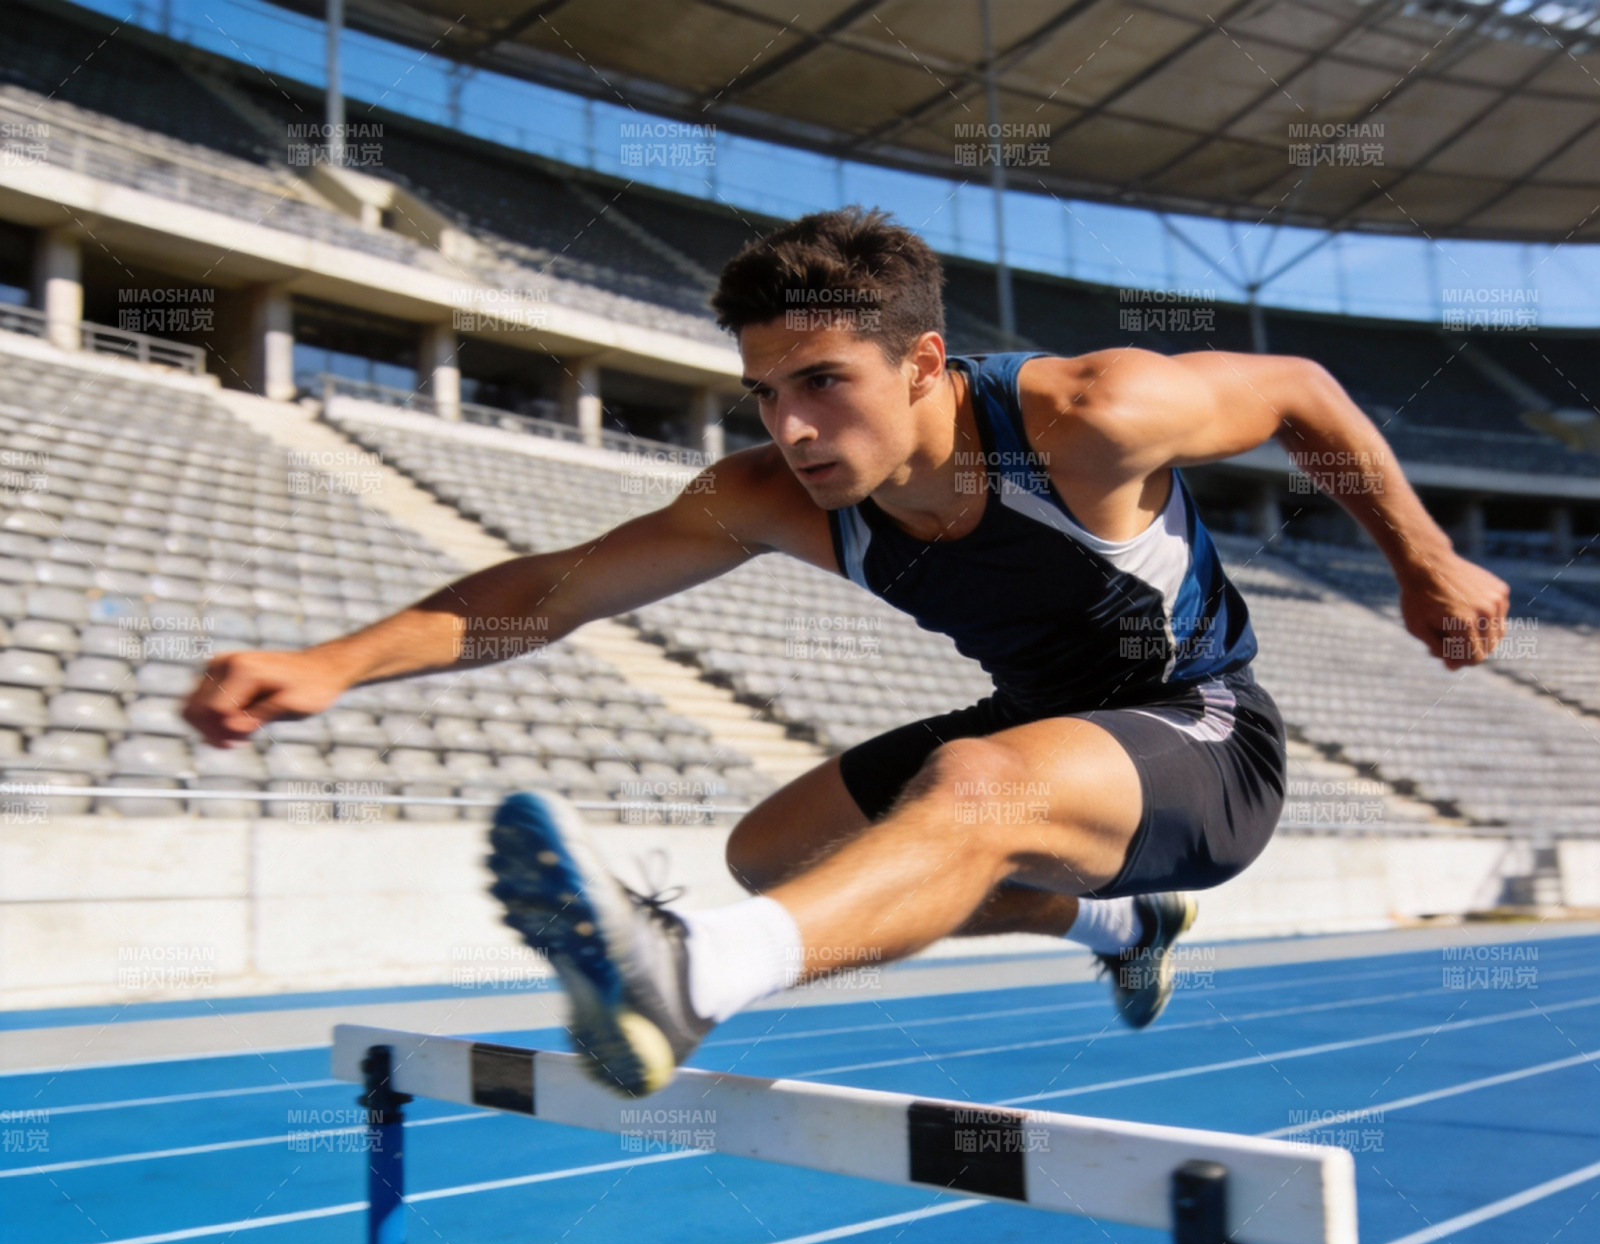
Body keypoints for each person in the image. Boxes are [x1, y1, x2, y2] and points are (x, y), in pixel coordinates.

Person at [184, 208, 1509, 1097]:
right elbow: (555, 589)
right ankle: (1123, 921)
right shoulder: (772, 495)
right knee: (779, 856)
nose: (795, 427)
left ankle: (692, 973)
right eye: (767, 391)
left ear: (925, 363)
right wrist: (333, 664)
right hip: (1043, 730)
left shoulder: (1087, 416)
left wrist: (1425, 560)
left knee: (972, 792)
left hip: (1205, 737)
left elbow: (1299, 394)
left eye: (824, 383)